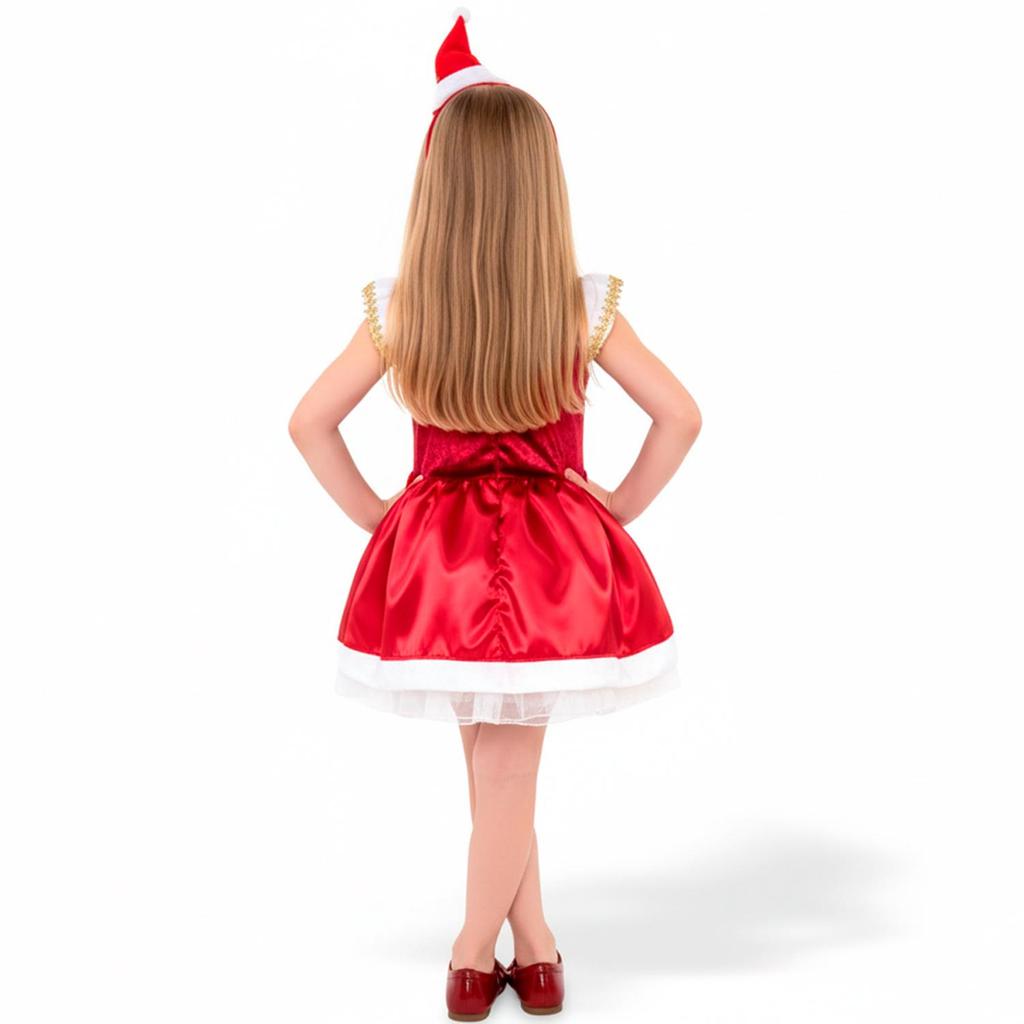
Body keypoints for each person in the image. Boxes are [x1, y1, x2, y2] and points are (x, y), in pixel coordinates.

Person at [288, 10, 702, 1019]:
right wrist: (616, 506)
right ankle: (516, 951)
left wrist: (382, 518)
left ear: (437, 188)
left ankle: (495, 949)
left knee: (492, 762)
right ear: (540, 187)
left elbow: (309, 424)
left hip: (442, 564)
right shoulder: (581, 304)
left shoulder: (402, 309)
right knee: (506, 766)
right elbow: (681, 416)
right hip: (551, 566)